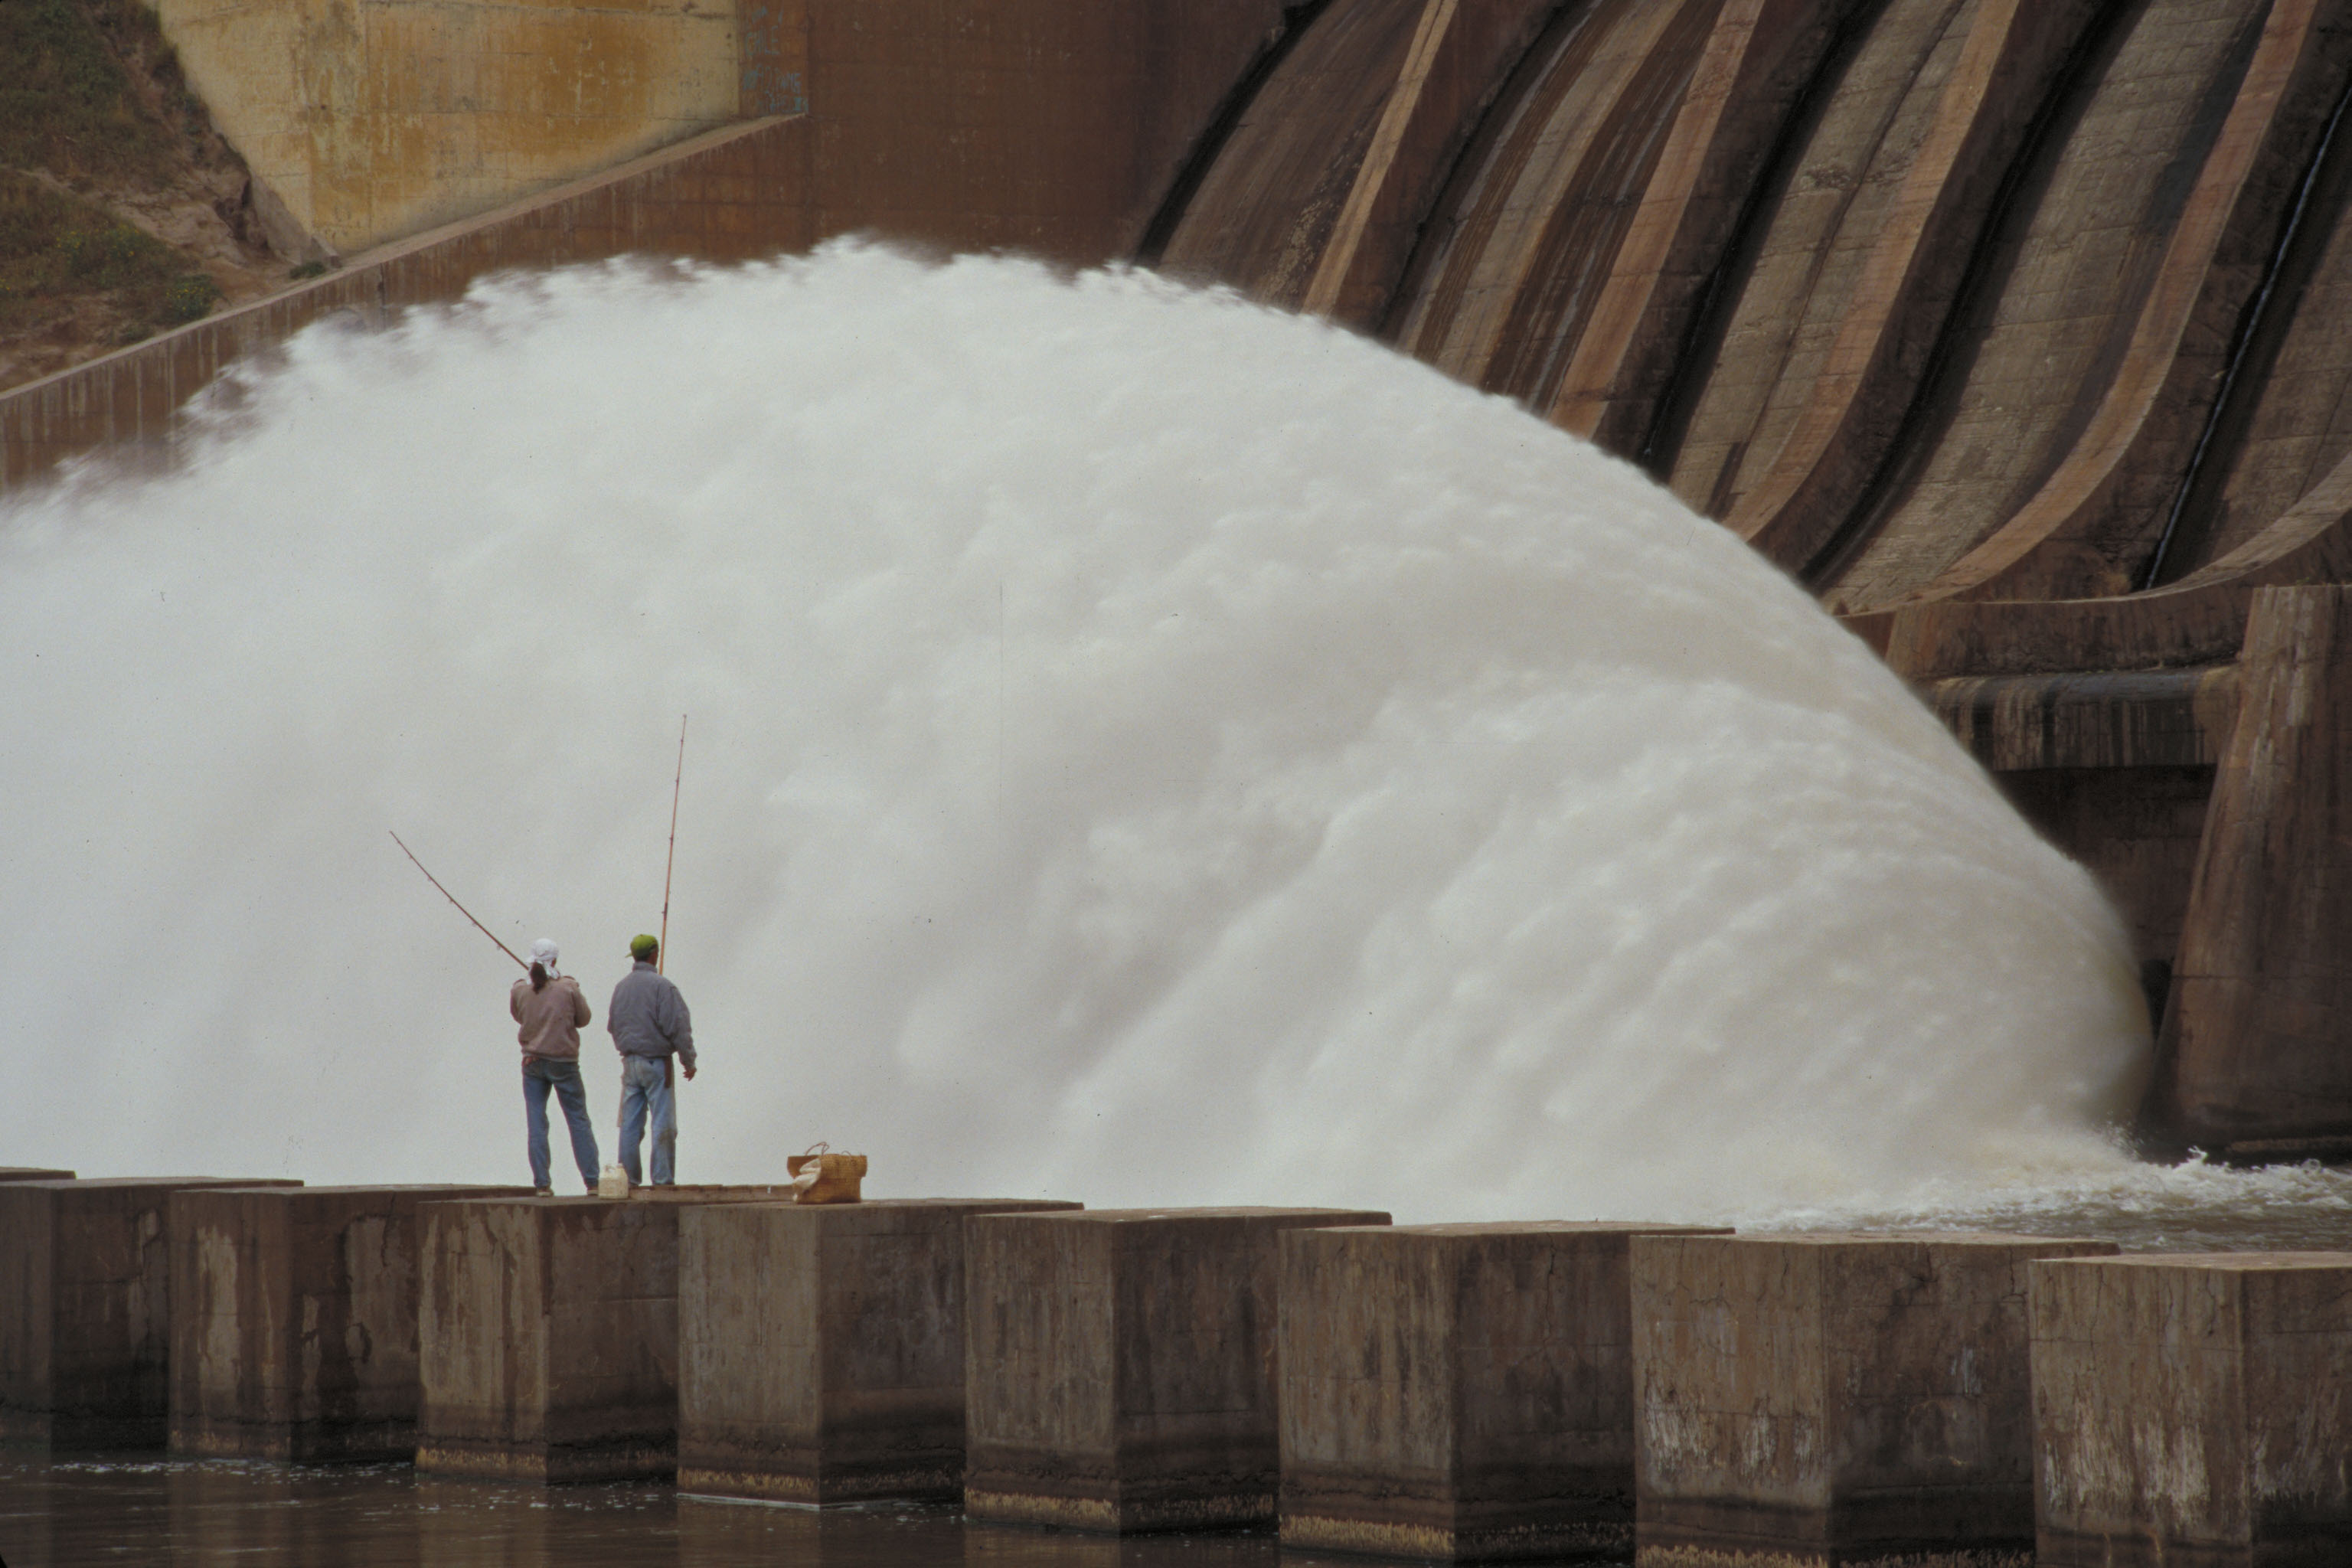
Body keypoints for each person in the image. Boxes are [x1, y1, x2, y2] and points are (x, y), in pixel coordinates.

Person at [511, 938, 599, 1195]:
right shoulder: (568, 988)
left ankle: (542, 1185)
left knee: (537, 1122)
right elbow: (584, 1019)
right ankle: (592, 1182)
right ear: (555, 961)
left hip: (532, 1063)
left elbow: (518, 1015)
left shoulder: (519, 990)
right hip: (564, 1064)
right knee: (578, 1120)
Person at [609, 933, 697, 1187]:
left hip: (630, 1063)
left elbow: (613, 1026)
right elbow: (678, 1027)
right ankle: (662, 1180)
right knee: (663, 1123)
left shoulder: (620, 987)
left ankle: (628, 1181)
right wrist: (688, 1062)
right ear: (654, 954)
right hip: (657, 1064)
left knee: (629, 1125)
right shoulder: (663, 986)